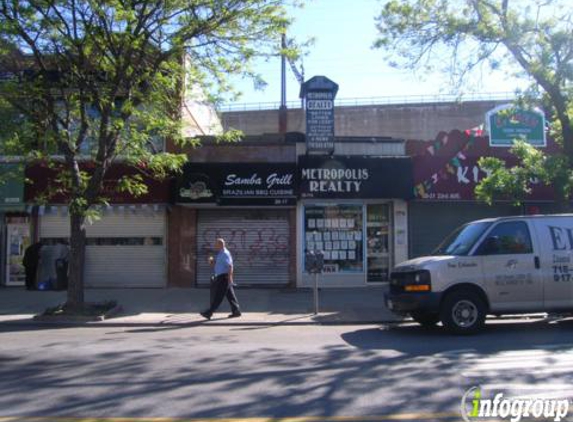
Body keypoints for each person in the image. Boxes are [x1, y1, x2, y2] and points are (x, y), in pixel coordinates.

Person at [200, 238, 241, 320]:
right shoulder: (220, 253)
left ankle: (209, 312)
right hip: (221, 276)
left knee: (218, 296)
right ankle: (236, 311)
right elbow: (219, 265)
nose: (215, 246)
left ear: (221, 245)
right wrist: (212, 262)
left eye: (216, 244)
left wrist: (229, 278)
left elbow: (230, 266)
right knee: (230, 295)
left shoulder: (225, 253)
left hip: (224, 277)